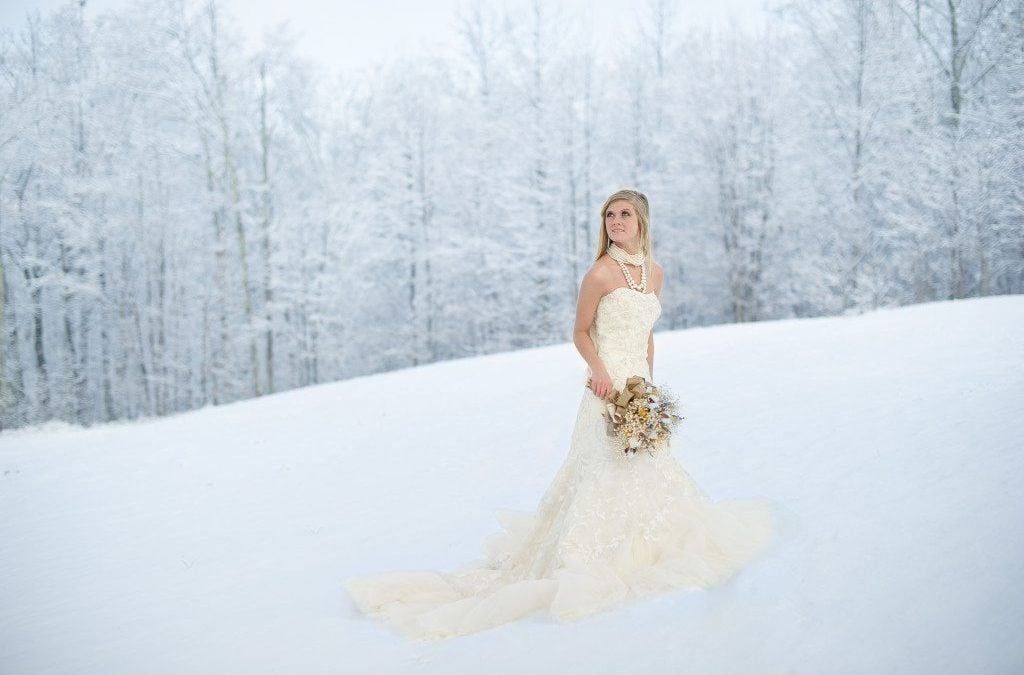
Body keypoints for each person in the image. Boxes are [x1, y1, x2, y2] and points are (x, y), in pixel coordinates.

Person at [343, 188, 777, 640]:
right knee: (601, 470)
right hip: (606, 388)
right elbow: (580, 331)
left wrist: (648, 383)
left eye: (625, 214)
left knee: (650, 467)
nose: (616, 221)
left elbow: (647, 335)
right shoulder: (601, 273)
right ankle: (586, 555)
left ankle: (646, 542)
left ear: (642, 221)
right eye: (609, 215)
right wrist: (600, 372)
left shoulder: (655, 274)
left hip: (638, 389)